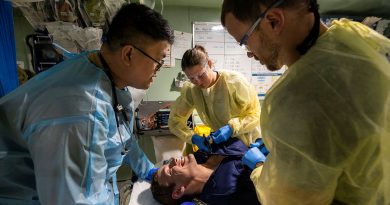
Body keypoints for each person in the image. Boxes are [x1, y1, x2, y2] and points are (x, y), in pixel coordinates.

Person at [0, 3, 174, 205]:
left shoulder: (102, 73)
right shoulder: (80, 111)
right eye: (159, 61)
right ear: (128, 54)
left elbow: (122, 139)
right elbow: (75, 200)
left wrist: (149, 170)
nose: (159, 69)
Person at [221, 0, 390, 204]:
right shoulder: (354, 41)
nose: (248, 52)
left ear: (274, 21)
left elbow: (288, 200)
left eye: (244, 40)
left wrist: (260, 169)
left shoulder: (297, 95)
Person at [168, 45, 261, 150]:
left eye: (201, 75)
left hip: (250, 142)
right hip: (225, 146)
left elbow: (255, 115)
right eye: (191, 78)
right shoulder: (192, 89)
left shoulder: (234, 82)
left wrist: (232, 127)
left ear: (210, 64)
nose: (197, 82)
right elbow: (175, 121)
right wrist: (193, 137)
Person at [150, 138, 260, 205]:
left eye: (169, 163)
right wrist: (260, 165)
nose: (174, 160)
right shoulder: (229, 194)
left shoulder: (201, 154)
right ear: (178, 191)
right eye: (169, 171)